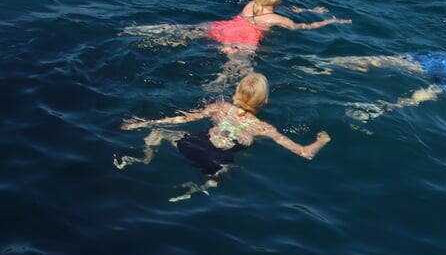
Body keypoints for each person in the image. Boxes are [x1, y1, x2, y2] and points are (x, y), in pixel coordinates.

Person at [117, 72, 330, 198]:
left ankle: (144, 157)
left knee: (158, 133)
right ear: (265, 101)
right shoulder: (264, 128)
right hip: (215, 162)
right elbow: (305, 153)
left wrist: (143, 123)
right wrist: (321, 141)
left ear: (236, 92)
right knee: (224, 174)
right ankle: (197, 189)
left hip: (191, 146)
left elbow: (182, 118)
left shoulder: (220, 107)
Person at [123, 0, 350, 88]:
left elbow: (286, 7)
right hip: (245, 38)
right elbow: (303, 27)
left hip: (226, 26)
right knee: (237, 67)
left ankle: (143, 31)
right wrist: (329, 21)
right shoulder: (278, 19)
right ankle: (217, 84)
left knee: (186, 31)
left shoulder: (251, 5)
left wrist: (310, 9)